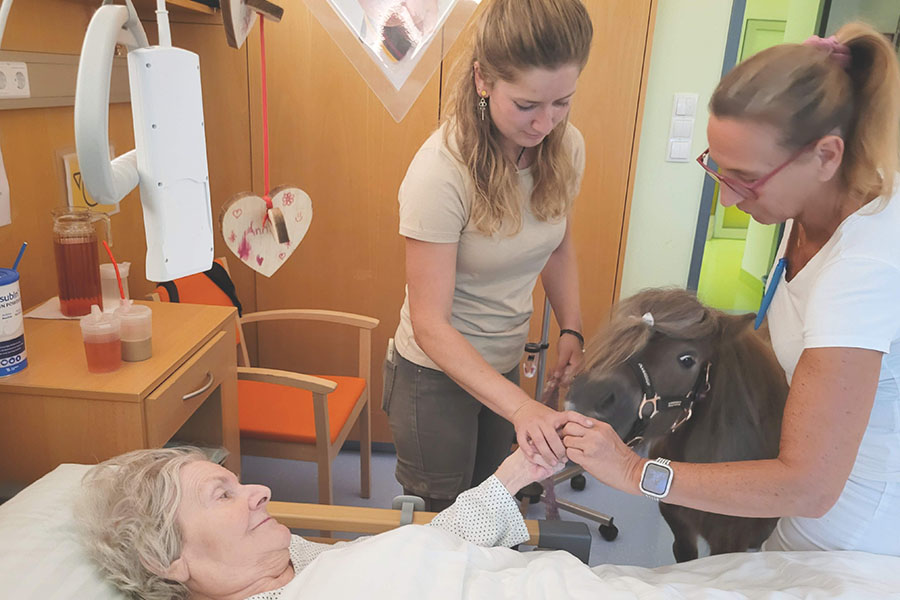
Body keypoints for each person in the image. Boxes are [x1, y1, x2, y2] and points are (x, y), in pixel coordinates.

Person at [562, 22, 900, 556]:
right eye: (718, 170)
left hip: (851, 532)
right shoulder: (808, 209)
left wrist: (637, 471)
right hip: (809, 509)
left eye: (745, 178)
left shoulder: (860, 272)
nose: (727, 200)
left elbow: (810, 487)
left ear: (826, 156)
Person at [383, 0, 595, 512]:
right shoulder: (441, 171)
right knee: (444, 521)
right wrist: (522, 407)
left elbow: (557, 238)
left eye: (562, 102)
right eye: (527, 105)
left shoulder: (566, 148)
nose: (546, 122)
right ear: (483, 80)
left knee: (494, 504)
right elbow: (432, 326)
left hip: (502, 365)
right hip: (433, 375)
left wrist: (572, 326)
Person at [76, 446, 561, 600]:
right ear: (166, 559)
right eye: (222, 494)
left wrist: (517, 472)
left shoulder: (299, 558)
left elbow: (423, 549)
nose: (260, 490)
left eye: (238, 482)